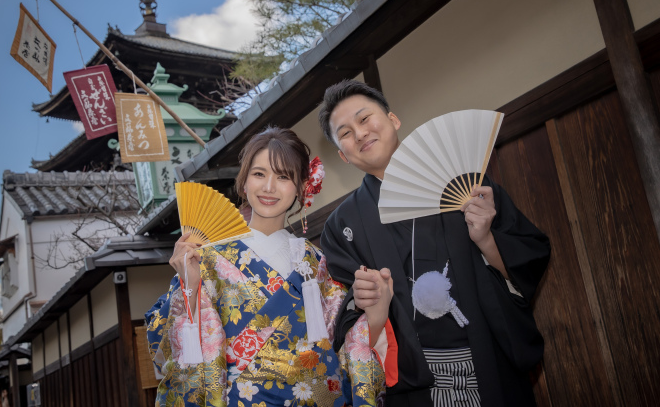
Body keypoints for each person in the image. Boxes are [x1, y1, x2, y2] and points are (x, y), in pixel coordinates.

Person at [317, 79, 551, 407]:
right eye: (345, 133)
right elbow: (343, 323)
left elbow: (528, 260)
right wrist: (366, 302)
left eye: (365, 118)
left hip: (490, 362)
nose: (360, 133)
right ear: (343, 155)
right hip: (414, 387)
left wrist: (486, 239)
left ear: (393, 119)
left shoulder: (465, 183)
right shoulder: (342, 226)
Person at [146, 127, 387, 406]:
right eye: (259, 174)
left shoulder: (316, 262)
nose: (269, 187)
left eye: (284, 177)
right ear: (244, 182)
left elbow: (344, 340)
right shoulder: (208, 258)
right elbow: (167, 346)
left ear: (301, 187)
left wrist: (376, 309)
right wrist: (189, 286)